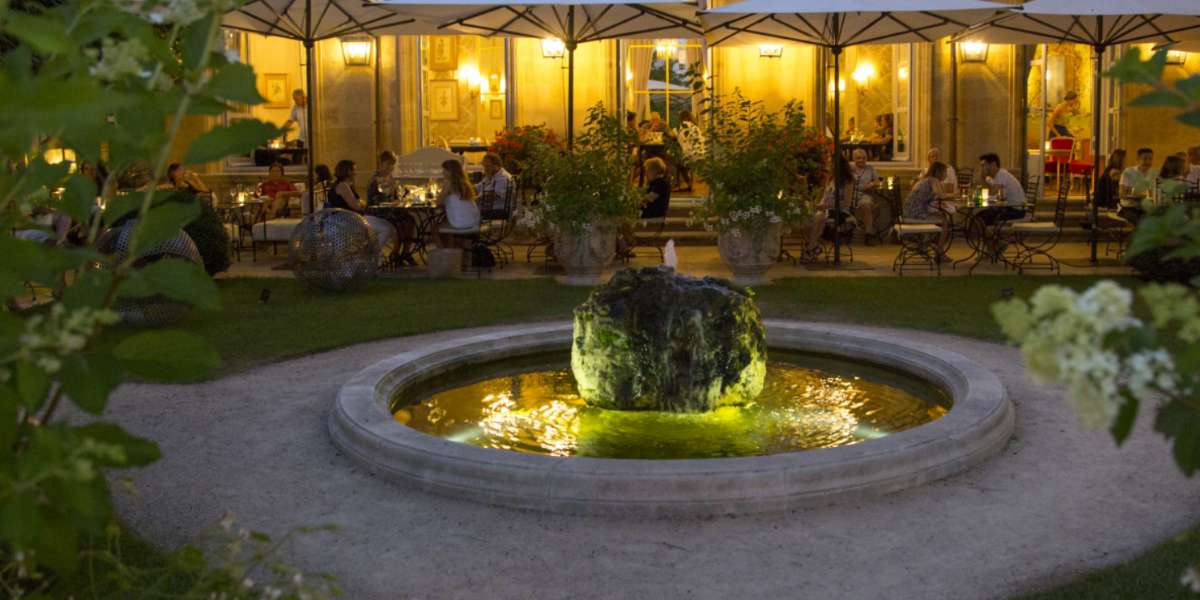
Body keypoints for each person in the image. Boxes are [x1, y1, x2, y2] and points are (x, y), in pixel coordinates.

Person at [327, 159, 396, 257]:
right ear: (348, 171)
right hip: (347, 220)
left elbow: (359, 202)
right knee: (386, 228)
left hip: (349, 218)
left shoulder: (345, 185)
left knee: (385, 226)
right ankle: (371, 255)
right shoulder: (343, 186)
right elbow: (355, 205)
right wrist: (361, 204)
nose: (355, 173)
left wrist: (361, 204)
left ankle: (370, 251)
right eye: (354, 170)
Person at [805, 154, 856, 256]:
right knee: (808, 218)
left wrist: (827, 206)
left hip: (839, 211)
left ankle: (811, 248)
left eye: (830, 162)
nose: (828, 164)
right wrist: (819, 204)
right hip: (826, 209)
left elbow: (846, 203)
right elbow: (825, 196)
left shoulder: (848, 181)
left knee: (818, 218)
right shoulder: (830, 178)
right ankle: (813, 246)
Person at [436, 159, 480, 248]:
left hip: (460, 223)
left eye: (444, 170)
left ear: (450, 171)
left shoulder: (449, 184)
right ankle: (455, 251)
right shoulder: (465, 183)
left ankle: (445, 254)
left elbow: (438, 202)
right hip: (474, 221)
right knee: (444, 221)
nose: (442, 172)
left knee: (434, 228)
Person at [978, 153, 1026, 225]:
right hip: (1010, 207)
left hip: (1016, 210)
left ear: (993, 165)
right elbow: (992, 184)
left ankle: (989, 235)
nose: (982, 169)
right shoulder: (999, 175)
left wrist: (979, 198)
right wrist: (985, 178)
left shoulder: (1001, 175)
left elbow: (992, 196)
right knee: (980, 216)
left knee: (982, 217)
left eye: (984, 165)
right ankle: (988, 235)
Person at [848, 148, 880, 243]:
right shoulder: (849, 169)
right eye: (858, 158)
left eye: (863, 158)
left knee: (865, 205)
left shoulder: (870, 168)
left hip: (865, 195)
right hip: (850, 195)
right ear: (854, 159)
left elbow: (879, 180)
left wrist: (872, 184)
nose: (861, 160)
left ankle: (868, 233)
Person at [1118, 147, 1157, 224]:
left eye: (1150, 159)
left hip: (1146, 209)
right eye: (1145, 159)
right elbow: (1122, 194)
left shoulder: (1153, 174)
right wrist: (1137, 195)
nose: (1148, 162)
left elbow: (1153, 193)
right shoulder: (1129, 172)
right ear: (1138, 159)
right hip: (1129, 208)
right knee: (1140, 223)